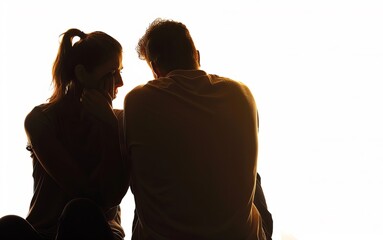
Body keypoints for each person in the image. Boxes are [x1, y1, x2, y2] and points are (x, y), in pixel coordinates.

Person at [124, 18, 273, 240]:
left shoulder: (138, 100)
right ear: (197, 56)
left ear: (154, 68)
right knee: (251, 175)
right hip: (241, 235)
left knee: (147, 173)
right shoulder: (241, 94)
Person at [0, 28, 129, 240]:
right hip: (46, 233)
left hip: (98, 230)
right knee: (9, 225)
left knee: (82, 213)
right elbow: (81, 190)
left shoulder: (119, 121)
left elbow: (110, 198)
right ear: (81, 74)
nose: (120, 83)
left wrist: (109, 126)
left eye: (120, 72)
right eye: (111, 74)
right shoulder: (41, 121)